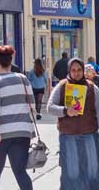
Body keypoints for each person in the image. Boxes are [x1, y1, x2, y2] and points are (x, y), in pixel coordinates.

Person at [0, 44, 35, 190]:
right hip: (22, 132)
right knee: (20, 171)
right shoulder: (23, 78)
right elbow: (31, 104)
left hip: (0, 134)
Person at [47, 57, 99, 190]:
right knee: (72, 174)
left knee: (92, 172)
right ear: (69, 71)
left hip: (89, 135)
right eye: (73, 70)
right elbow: (50, 107)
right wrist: (65, 111)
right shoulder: (62, 86)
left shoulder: (92, 88)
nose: (76, 73)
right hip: (68, 136)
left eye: (79, 70)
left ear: (83, 70)